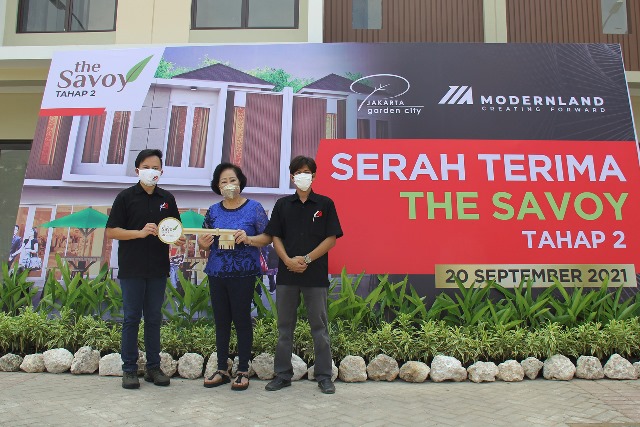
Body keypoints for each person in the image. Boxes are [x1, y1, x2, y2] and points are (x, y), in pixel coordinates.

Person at [239, 156, 343, 394]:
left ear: (314, 176)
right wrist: (287, 260)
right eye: (298, 172)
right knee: (285, 327)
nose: (302, 176)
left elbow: (331, 239)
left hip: (315, 275)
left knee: (320, 327)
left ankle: (324, 376)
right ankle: (282, 374)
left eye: (307, 172)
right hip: (287, 275)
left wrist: (306, 259)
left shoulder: (325, 204)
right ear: (291, 177)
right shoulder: (283, 205)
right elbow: (275, 236)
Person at [106, 149, 185, 390]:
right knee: (131, 318)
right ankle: (129, 369)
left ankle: (153, 367)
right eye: (147, 167)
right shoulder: (125, 197)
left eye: (156, 167)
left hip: (158, 268)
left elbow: (174, 229)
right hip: (132, 267)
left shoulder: (167, 198)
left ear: (162, 171)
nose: (152, 171)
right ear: (137, 170)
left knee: (153, 318)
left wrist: (177, 238)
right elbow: (111, 231)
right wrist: (139, 233)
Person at [198, 163, 269, 391]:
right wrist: (202, 243)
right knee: (221, 321)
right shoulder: (213, 211)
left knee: (241, 319)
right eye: (224, 182)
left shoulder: (254, 208)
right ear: (217, 186)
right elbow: (203, 239)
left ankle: (243, 370)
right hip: (217, 272)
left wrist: (248, 239)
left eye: (232, 180)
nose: (229, 185)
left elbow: (267, 237)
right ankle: (221, 369)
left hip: (243, 273)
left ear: (240, 182)